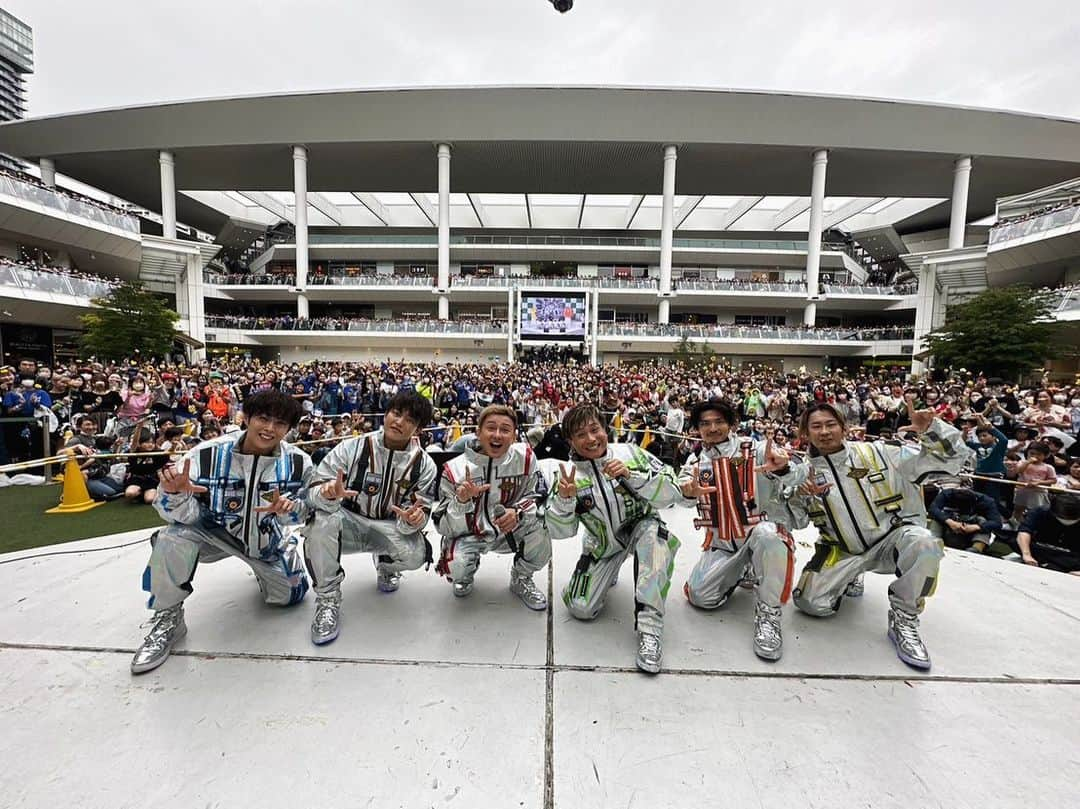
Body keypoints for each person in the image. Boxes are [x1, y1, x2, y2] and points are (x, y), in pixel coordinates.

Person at [130, 390, 314, 674]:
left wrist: (289, 510)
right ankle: (167, 618)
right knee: (172, 537)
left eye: (279, 423)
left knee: (289, 596)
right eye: (263, 419)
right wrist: (176, 495)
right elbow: (171, 513)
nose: (269, 429)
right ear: (246, 417)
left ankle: (275, 561)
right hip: (210, 532)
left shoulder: (299, 463)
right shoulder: (204, 455)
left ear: (288, 429)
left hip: (265, 542)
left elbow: (307, 511)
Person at [790, 399, 971, 670]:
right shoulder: (802, 472)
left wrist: (932, 429)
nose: (824, 432)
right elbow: (794, 519)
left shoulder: (882, 453)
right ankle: (852, 575)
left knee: (926, 543)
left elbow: (952, 461)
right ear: (805, 433)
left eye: (831, 424)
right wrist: (795, 494)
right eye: (816, 426)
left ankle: (904, 618)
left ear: (845, 427)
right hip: (841, 549)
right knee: (810, 604)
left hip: (893, 540)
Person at [545, 404, 683, 674]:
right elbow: (560, 531)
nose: (591, 439)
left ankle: (650, 629)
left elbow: (672, 492)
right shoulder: (564, 475)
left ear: (604, 429)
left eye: (595, 429)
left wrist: (633, 476)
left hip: (641, 530)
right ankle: (604, 572)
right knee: (580, 609)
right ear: (570, 441)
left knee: (655, 540)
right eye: (581, 434)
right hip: (602, 545)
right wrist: (564, 500)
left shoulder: (631, 454)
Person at [303, 392, 437, 645]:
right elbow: (313, 491)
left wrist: (413, 519)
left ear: (418, 428)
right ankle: (328, 600)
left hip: (386, 525)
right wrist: (327, 492)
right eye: (396, 413)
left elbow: (423, 511)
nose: (399, 422)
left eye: (409, 419)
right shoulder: (351, 447)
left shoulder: (425, 465)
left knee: (417, 554)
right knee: (320, 521)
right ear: (385, 414)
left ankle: (385, 564)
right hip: (347, 520)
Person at [678, 399, 807, 661]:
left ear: (732, 424)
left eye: (719, 422)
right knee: (701, 597)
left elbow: (796, 474)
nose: (712, 428)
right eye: (705, 424)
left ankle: (769, 613)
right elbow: (681, 492)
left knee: (768, 534)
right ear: (696, 429)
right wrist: (688, 492)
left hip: (763, 535)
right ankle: (744, 568)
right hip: (724, 545)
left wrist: (782, 467)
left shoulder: (757, 449)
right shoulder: (695, 461)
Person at [432, 404, 550, 610]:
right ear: (478, 432)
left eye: (505, 429)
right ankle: (465, 571)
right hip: (470, 533)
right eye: (491, 428)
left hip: (510, 530)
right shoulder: (455, 469)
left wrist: (518, 511)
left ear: (514, 436)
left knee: (541, 526)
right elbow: (442, 525)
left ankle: (521, 577)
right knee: (455, 567)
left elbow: (540, 493)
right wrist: (460, 502)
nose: (497, 435)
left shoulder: (526, 458)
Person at [928, 479, 1004, 554]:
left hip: (971, 530)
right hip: (950, 526)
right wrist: (949, 522)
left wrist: (976, 527)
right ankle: (934, 541)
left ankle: (977, 548)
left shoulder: (987, 502)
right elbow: (932, 509)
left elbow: (997, 523)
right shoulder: (946, 494)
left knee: (983, 521)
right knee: (938, 517)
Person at [1013, 491, 1080, 573]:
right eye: (1064, 517)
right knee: (1017, 541)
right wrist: (1027, 555)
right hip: (1042, 547)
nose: (1068, 521)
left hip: (1071, 553)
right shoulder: (1040, 511)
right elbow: (1024, 531)